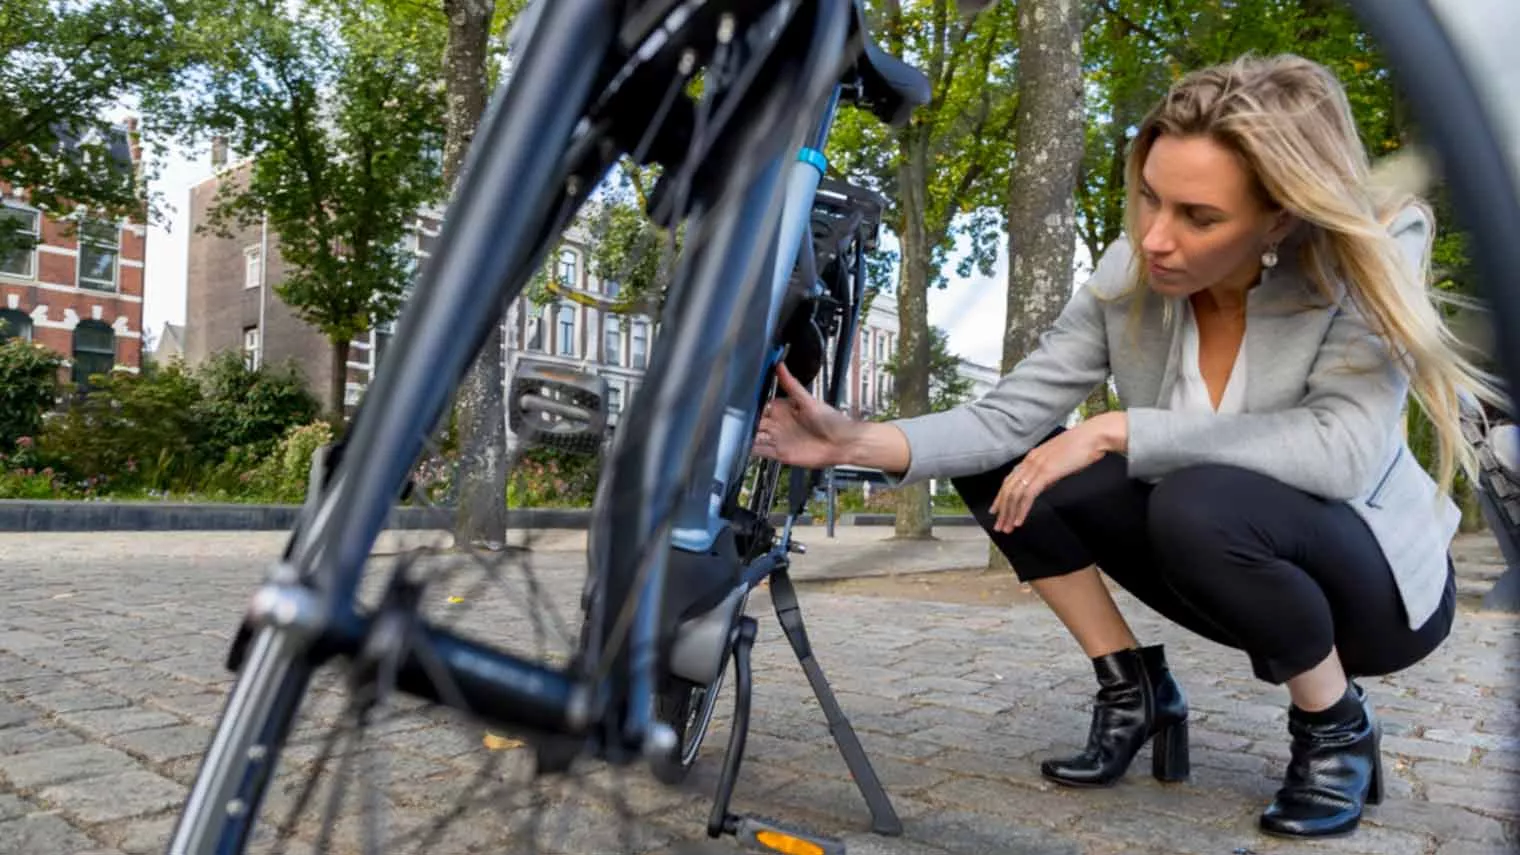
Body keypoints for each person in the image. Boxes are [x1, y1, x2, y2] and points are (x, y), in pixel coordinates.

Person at [753, 53, 1500, 839]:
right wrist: (854, 439)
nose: (1155, 237)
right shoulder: (1130, 270)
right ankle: (1132, 687)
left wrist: (1119, 428)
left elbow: (1341, 449)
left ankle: (1336, 723)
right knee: (1008, 461)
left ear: (1279, 217)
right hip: (1218, 566)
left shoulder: (1365, 258)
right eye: (1149, 196)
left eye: (1199, 217)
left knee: (1197, 495)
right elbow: (1006, 417)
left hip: (1374, 595)